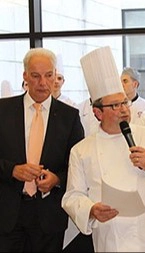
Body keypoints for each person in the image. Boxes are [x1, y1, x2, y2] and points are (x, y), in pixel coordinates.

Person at [62, 46, 145, 252]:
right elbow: (72, 196)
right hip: (111, 241)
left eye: (125, 103)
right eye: (115, 106)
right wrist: (91, 210)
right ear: (97, 112)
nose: (123, 110)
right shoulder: (81, 150)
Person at [0, 48, 84, 252]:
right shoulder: (3, 111)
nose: (43, 83)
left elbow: (78, 166)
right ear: (25, 76)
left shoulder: (69, 116)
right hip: (8, 213)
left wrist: (57, 179)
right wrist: (12, 170)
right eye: (36, 76)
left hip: (49, 216)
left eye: (49, 75)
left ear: (56, 75)